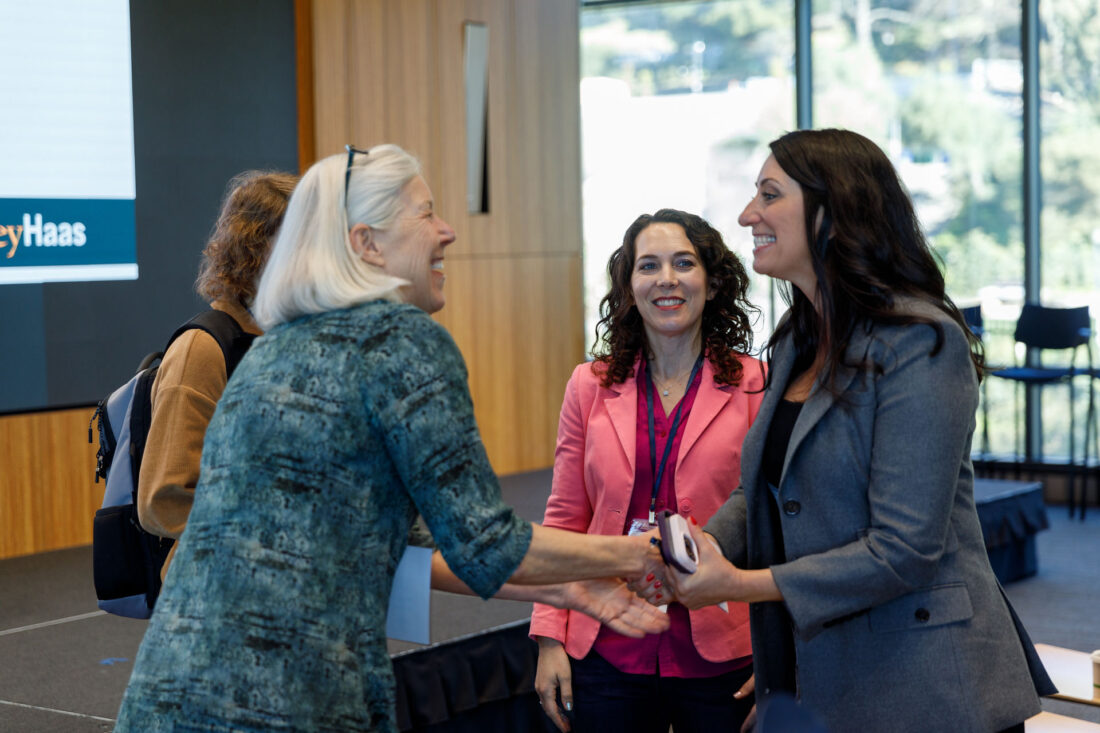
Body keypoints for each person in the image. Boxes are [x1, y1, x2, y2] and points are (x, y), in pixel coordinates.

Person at [114, 144, 666, 733]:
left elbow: (427, 542)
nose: (448, 231)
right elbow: (484, 541)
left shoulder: (274, 347)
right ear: (365, 244)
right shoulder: (398, 341)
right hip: (283, 700)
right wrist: (637, 554)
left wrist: (572, 588)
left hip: (167, 696)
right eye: (425, 212)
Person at [635, 129, 1055, 733]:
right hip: (827, 681)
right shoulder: (794, 341)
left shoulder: (921, 342)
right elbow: (767, 496)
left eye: (769, 195)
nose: (747, 214)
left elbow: (905, 550)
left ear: (833, 210)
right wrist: (705, 546)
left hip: (932, 687)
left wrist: (740, 583)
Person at [530, 209, 765, 733]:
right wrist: (549, 636)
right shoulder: (588, 385)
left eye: (684, 263)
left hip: (724, 648)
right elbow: (565, 516)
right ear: (628, 284)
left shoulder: (756, 384)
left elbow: (776, 527)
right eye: (648, 265)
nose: (667, 279)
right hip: (604, 641)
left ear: (712, 279)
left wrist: (782, 655)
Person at [138, 169, 297, 579]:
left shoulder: (298, 339)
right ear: (255, 249)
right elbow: (164, 499)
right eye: (300, 242)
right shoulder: (203, 350)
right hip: (219, 595)